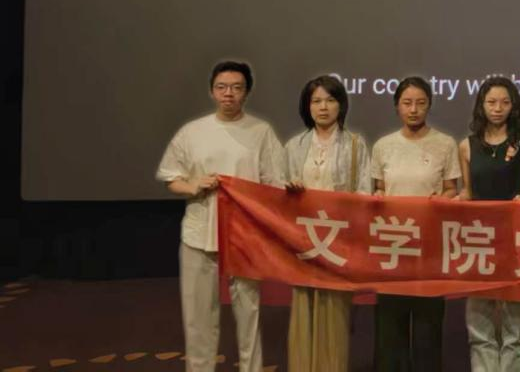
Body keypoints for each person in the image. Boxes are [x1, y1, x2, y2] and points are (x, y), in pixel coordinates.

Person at [156, 60, 285, 372]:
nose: (229, 94)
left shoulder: (261, 131)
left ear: (247, 92)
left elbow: (275, 183)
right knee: (198, 316)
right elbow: (172, 177)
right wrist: (193, 185)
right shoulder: (192, 132)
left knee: (249, 313)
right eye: (222, 87)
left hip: (245, 236)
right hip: (199, 233)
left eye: (237, 88)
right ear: (212, 91)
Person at [370, 76, 461, 372]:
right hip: (393, 247)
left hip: (428, 249)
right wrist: (378, 196)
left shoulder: (445, 144)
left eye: (421, 103)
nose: (413, 109)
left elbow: (451, 190)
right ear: (397, 106)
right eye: (407, 103)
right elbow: (379, 189)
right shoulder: (383, 146)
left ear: (429, 106)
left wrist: (442, 200)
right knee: (390, 331)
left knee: (427, 331)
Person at [283, 74, 372, 372]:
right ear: (307, 107)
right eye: (316, 101)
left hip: (338, 239)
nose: (323, 107)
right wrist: (288, 189)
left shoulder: (356, 145)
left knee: (335, 309)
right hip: (303, 239)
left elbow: (364, 192)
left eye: (330, 100)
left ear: (341, 105)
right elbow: (277, 195)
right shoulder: (294, 146)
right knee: (303, 306)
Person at [458, 76, 520, 372]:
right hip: (477, 240)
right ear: (481, 105)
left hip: (513, 239)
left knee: (513, 329)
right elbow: (467, 193)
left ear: (513, 106)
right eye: (491, 102)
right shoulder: (466, 146)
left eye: (504, 102)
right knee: (479, 325)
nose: (497, 108)